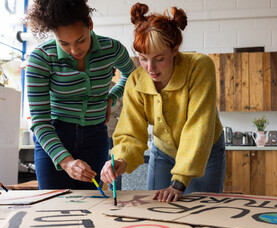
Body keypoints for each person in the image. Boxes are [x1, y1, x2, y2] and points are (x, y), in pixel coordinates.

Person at [101, 3, 226, 202]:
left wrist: (179, 183)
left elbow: (198, 127)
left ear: (175, 50)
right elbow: (131, 133)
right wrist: (121, 159)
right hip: (163, 151)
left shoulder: (199, 67)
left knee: (202, 210)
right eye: (143, 58)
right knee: (157, 209)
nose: (150, 68)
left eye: (159, 58)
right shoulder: (135, 81)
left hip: (206, 150)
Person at [24, 0, 135, 190]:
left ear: (90, 25)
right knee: (54, 207)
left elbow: (132, 76)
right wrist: (66, 162)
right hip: (54, 137)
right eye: (64, 43)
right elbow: (40, 122)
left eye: (81, 40)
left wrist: (111, 97)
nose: (75, 51)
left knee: (90, 206)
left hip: (95, 137)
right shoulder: (40, 59)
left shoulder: (112, 49)